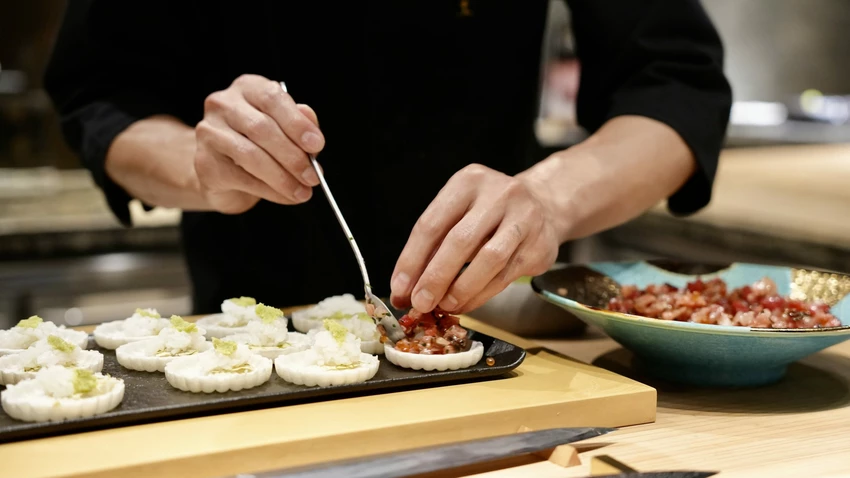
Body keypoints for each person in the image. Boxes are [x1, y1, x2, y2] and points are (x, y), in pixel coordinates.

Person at [44, 1, 732, 317]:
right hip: (253, 330)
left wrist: (550, 198)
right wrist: (201, 166)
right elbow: (101, 97)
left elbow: (675, 83)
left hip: (498, 328)